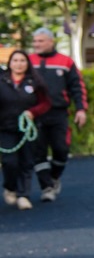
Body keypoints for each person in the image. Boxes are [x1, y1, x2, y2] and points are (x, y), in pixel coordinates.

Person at [28, 27, 87, 203]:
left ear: (50, 42)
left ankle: (54, 177)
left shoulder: (65, 62)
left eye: (41, 41)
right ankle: (46, 188)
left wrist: (81, 109)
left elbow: (77, 87)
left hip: (58, 114)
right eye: (35, 41)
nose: (36, 44)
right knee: (38, 152)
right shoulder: (28, 61)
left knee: (61, 149)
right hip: (35, 115)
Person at [2, 50, 52, 210]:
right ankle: (10, 187)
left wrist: (33, 112)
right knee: (10, 162)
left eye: (22, 60)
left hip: (28, 129)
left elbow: (46, 103)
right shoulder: (2, 81)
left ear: (27, 63)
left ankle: (23, 195)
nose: (18, 64)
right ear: (10, 63)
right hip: (5, 128)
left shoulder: (34, 82)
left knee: (27, 162)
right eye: (15, 60)